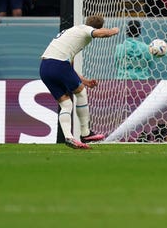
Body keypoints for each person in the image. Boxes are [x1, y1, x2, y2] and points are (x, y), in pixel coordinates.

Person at [39, 15, 120, 149]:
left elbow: (68, 65)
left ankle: (68, 137)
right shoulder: (86, 30)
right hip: (58, 65)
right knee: (81, 93)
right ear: (96, 26)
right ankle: (85, 133)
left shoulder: (73, 31)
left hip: (45, 67)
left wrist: (85, 80)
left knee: (66, 104)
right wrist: (113, 31)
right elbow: (99, 33)